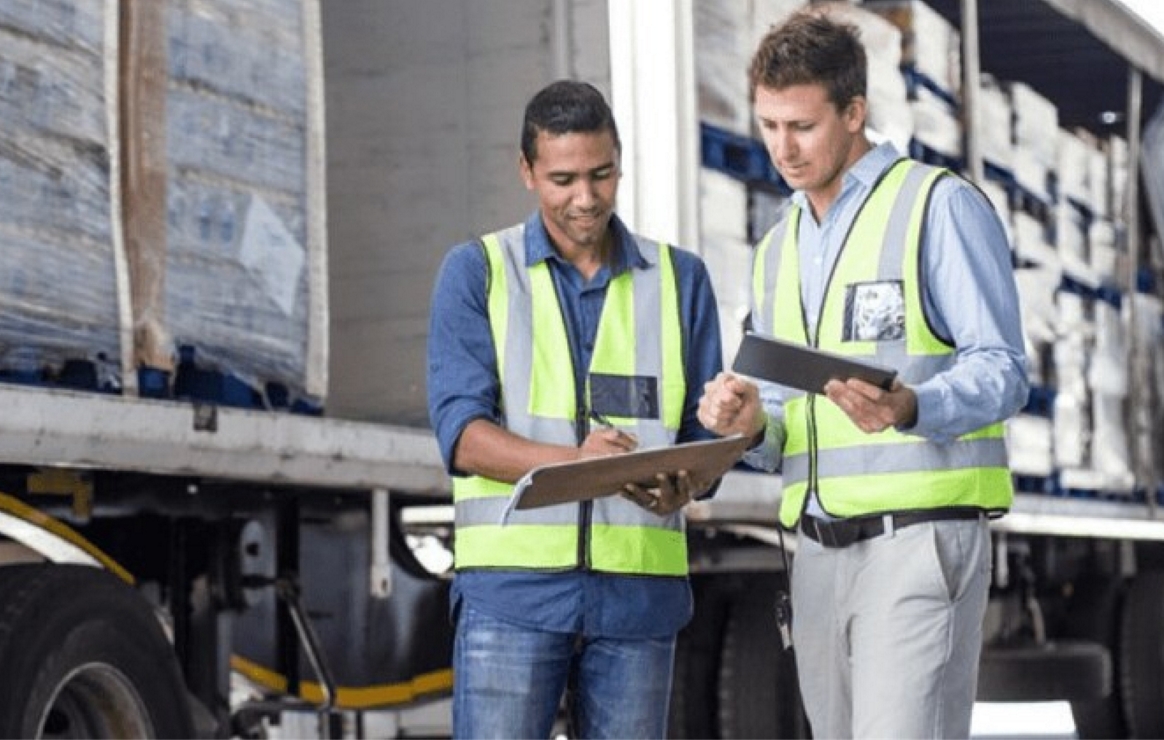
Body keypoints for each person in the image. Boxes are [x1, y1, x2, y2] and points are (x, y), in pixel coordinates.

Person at [697, 9, 1028, 739]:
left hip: (917, 543)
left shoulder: (935, 207)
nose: (783, 148)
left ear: (854, 112)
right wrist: (748, 423)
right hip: (816, 554)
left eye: (803, 126)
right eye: (769, 125)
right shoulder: (777, 245)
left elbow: (1004, 371)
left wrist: (913, 405)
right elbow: (783, 419)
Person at [426, 79, 724, 739]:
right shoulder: (477, 272)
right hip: (513, 598)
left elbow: (701, 435)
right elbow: (463, 437)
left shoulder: (682, 280)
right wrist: (580, 465)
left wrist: (692, 476)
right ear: (526, 171)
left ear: (620, 162)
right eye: (562, 179)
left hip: (638, 604)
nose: (585, 198)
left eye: (601, 174)